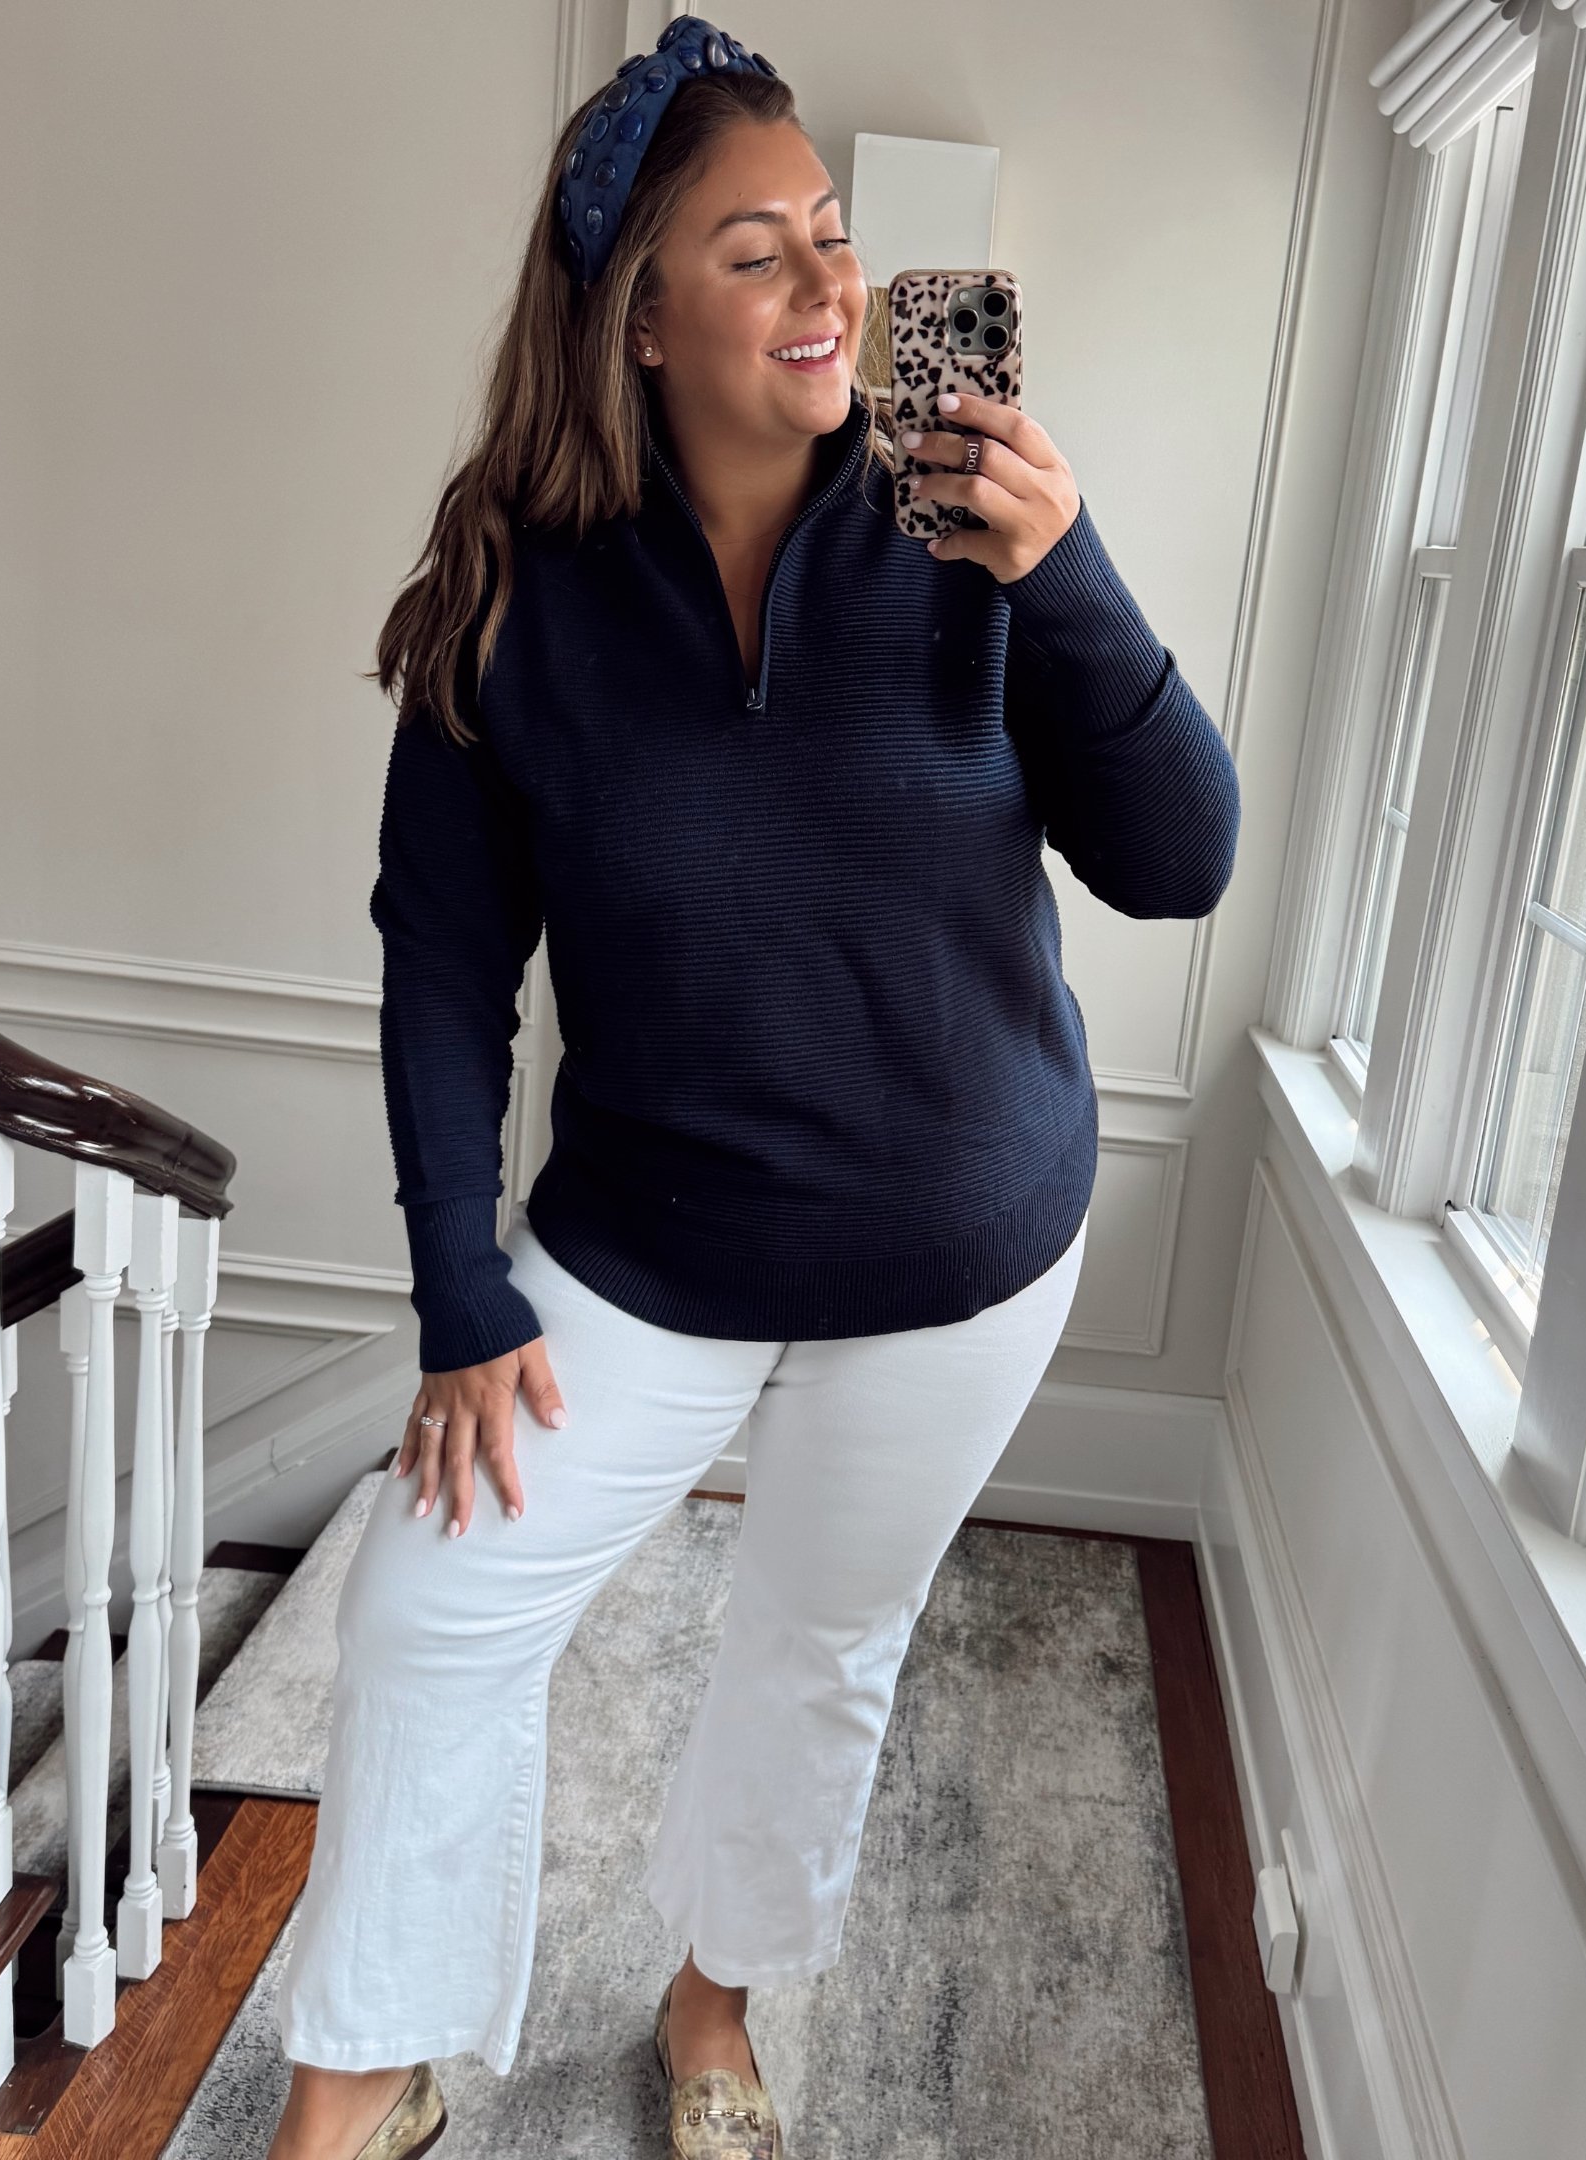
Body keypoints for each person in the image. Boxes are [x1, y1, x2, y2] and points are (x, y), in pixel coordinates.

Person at [263, 18, 1240, 2159]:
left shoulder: (966, 524)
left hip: (960, 1247)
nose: (829, 287)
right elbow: (445, 964)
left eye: (834, 233)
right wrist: (458, 1288)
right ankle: (355, 2084)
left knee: (816, 1645)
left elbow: (1180, 861)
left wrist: (1065, 571)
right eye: (756, 251)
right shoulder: (514, 591)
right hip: (654, 1242)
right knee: (430, 1605)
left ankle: (710, 2012)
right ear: (637, 316)